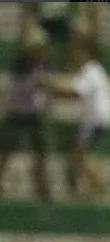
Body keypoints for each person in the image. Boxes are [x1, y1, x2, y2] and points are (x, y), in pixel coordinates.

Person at [42, 29, 110, 200]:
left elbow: (76, 92)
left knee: (81, 153)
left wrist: (50, 87)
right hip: (94, 118)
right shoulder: (90, 71)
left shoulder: (91, 70)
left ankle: (98, 186)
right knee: (79, 152)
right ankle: (90, 188)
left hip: (97, 119)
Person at [0, 26, 50, 201]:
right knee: (6, 149)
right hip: (19, 112)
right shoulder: (22, 66)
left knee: (39, 153)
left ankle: (41, 188)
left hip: (32, 113)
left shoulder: (38, 64)